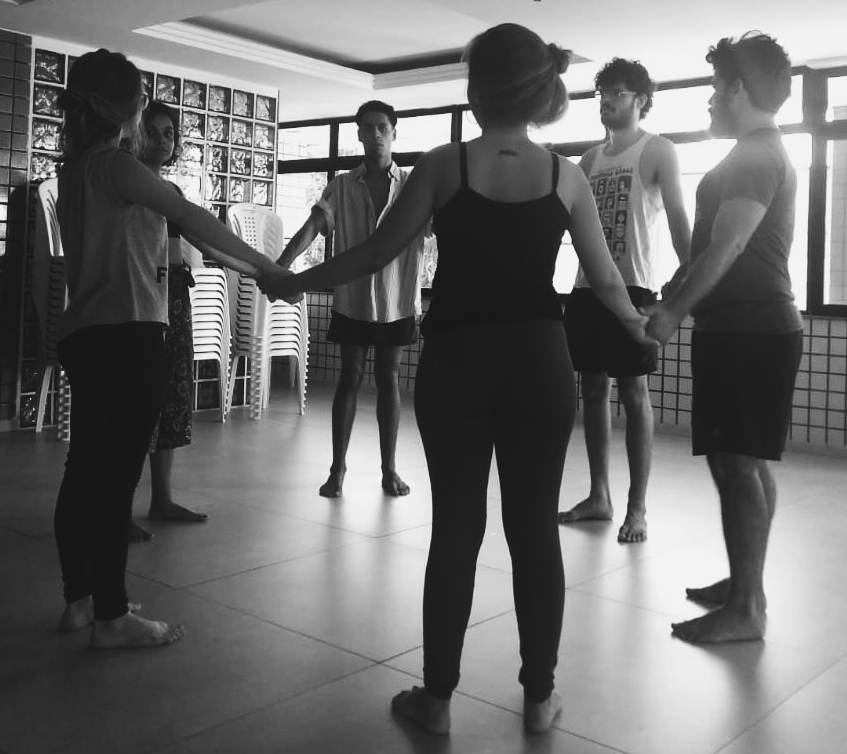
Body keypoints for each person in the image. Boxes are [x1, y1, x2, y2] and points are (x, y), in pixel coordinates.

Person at [259, 23, 654, 734]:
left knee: (456, 531)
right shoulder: (565, 175)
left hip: (457, 362)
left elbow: (375, 253)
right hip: (540, 362)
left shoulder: (444, 165)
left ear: (477, 90)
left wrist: (295, 281)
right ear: (536, 91)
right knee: (534, 531)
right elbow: (605, 280)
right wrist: (643, 325)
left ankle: (437, 700)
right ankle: (540, 699)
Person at [53, 49, 280, 649]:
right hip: (128, 335)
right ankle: (112, 617)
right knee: (115, 481)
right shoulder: (115, 165)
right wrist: (265, 267)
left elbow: (182, 227)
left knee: (84, 473)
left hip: (84, 334)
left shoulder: (74, 168)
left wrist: (253, 267)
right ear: (127, 111)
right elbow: (188, 214)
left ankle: (81, 600)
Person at [645, 33, 801, 642]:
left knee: (738, 465)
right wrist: (677, 287)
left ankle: (745, 611)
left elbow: (731, 244)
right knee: (743, 462)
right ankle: (745, 585)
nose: (710, 99)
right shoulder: (755, 153)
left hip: (749, 330)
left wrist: (673, 312)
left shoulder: (756, 156)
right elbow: (716, 244)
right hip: (746, 328)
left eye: (715, 87)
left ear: (738, 88)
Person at [558, 58, 691, 543]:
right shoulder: (589, 160)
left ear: (641, 100)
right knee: (593, 390)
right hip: (587, 289)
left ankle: (637, 508)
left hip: (634, 287)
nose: (607, 101)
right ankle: (600, 496)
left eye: (617, 93)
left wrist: (685, 284)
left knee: (635, 394)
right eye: (603, 94)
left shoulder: (658, 150)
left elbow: (678, 220)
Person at [276, 100, 426, 498]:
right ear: (358, 134)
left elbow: (440, 230)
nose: (375, 134)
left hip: (397, 299)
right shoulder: (341, 186)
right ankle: (337, 469)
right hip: (353, 299)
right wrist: (281, 267)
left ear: (394, 133)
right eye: (368, 127)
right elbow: (313, 227)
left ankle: (389, 470)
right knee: (350, 376)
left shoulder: (412, 186)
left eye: (382, 127)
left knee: (388, 377)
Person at [127, 100, 208, 544]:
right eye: (152, 131)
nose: (162, 140)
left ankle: (162, 499)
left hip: (174, 298)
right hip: (141, 301)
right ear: (134, 135)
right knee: (137, 404)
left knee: (171, 397)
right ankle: (118, 507)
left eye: (169, 133)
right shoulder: (126, 184)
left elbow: (196, 236)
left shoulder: (171, 191)